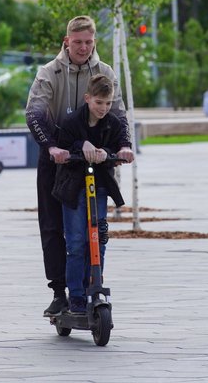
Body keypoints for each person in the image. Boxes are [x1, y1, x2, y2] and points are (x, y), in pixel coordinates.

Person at [25, 15, 134, 316]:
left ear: (94, 42)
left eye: (88, 42)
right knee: (53, 226)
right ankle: (61, 292)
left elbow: (120, 114)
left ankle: (91, 285)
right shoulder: (49, 72)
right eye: (77, 42)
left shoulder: (105, 72)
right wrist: (51, 146)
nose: (83, 48)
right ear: (67, 41)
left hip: (95, 158)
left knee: (96, 229)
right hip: (58, 155)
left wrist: (124, 146)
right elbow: (34, 113)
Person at [51, 74, 125, 314]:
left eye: (107, 103)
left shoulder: (112, 123)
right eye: (98, 103)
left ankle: (95, 286)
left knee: (98, 239)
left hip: (99, 186)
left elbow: (121, 143)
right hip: (74, 187)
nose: (103, 108)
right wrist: (79, 145)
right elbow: (63, 144)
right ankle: (77, 295)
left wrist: (112, 152)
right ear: (87, 99)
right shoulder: (73, 121)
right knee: (76, 242)